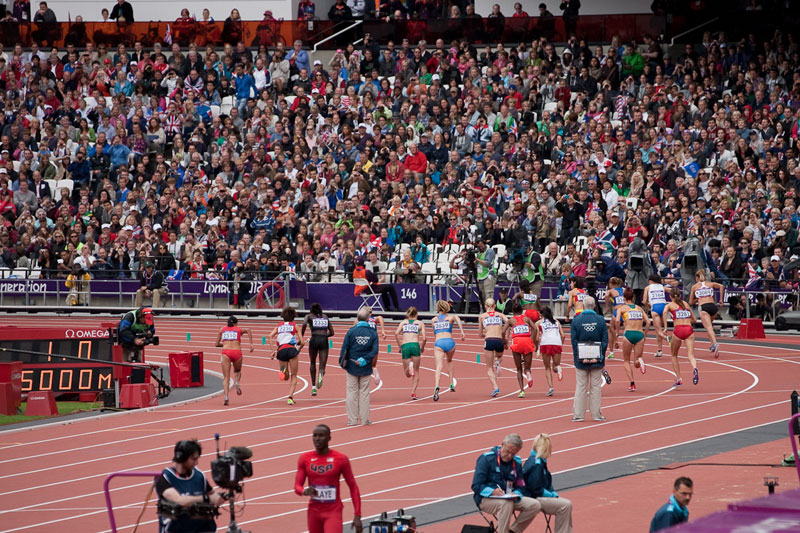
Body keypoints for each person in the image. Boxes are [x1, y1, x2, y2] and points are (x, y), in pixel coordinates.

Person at [295, 425, 363, 533]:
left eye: (321, 436)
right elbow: (297, 486)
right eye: (315, 435)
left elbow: (353, 487)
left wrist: (357, 515)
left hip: (333, 511)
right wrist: (304, 491)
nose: (317, 439)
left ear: (329, 438)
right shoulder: (305, 459)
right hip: (314, 511)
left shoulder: (341, 459)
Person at [471, 433, 542, 533]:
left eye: (513, 454)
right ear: (502, 444)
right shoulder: (486, 459)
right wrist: (492, 491)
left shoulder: (516, 462)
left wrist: (516, 493)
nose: (509, 456)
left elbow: (521, 485)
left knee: (535, 505)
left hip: (508, 498)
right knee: (506, 504)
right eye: (508, 452)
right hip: (485, 499)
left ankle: (513, 531)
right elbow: (476, 485)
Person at [155, 439, 223, 533]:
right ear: (181, 457)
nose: (196, 463)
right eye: (194, 459)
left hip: (202, 527)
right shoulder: (164, 478)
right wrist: (207, 498)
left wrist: (220, 497)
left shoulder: (199, 476)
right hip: (176, 529)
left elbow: (212, 494)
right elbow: (180, 501)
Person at [522, 434, 574, 533]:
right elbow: (535, 488)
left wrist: (552, 492)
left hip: (537, 495)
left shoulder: (538, 461)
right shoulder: (537, 463)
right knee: (565, 505)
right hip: (534, 498)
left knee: (567, 505)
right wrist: (550, 494)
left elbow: (545, 482)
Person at [570, 296, 610, 422]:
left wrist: (579, 356)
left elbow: (573, 340)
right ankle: (596, 415)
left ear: (583, 305)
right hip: (597, 359)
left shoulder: (576, 320)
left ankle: (578, 415)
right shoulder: (600, 320)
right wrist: (599, 356)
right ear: (594, 306)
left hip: (581, 359)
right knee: (596, 387)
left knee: (581, 386)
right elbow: (605, 340)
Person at [339, 308, 379, 426]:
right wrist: (365, 359)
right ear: (368, 318)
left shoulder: (351, 332)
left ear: (357, 318)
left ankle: (352, 420)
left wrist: (342, 362)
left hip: (351, 365)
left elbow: (344, 348)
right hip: (365, 367)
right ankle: (365, 419)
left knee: (352, 392)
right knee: (364, 393)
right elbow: (375, 350)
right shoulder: (373, 333)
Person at [662, 287, 699, 386]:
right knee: (691, 355)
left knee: (674, 355)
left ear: (670, 296)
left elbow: (664, 312)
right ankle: (694, 368)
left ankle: (678, 378)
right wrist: (685, 320)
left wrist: (665, 327)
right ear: (680, 295)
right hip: (688, 330)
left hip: (678, 330)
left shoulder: (670, 305)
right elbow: (694, 319)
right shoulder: (685, 304)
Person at [268, 307, 304, 405]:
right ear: (293, 317)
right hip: (292, 350)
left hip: (281, 350)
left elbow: (270, 336)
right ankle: (290, 397)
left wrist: (272, 351)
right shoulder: (295, 326)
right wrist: (298, 349)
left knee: (285, 376)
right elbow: (303, 342)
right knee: (294, 375)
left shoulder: (279, 326)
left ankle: (283, 371)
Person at [214, 316, 253, 406]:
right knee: (237, 371)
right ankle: (237, 382)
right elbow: (248, 330)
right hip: (237, 352)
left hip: (226, 353)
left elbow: (216, 344)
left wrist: (224, 345)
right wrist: (251, 344)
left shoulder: (222, 329)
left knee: (226, 378)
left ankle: (226, 397)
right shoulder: (238, 329)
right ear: (236, 323)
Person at [617, 288, 650, 392]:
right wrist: (645, 334)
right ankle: (639, 361)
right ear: (633, 297)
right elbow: (648, 322)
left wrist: (617, 333)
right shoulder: (639, 308)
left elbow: (617, 320)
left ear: (624, 298)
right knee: (636, 361)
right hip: (639, 334)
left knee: (626, 360)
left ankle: (632, 383)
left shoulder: (622, 309)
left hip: (629, 334)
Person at [431, 300, 464, 401]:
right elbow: (457, 318)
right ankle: (451, 383)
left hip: (439, 343)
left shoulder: (433, 320)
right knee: (449, 361)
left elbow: (434, 333)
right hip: (450, 342)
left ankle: (436, 385)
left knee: (438, 366)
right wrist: (462, 331)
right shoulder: (451, 317)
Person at [502, 300, 536, 398]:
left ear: (513, 311)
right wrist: (532, 340)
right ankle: (528, 373)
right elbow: (535, 328)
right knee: (527, 367)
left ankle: (522, 391)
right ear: (522, 311)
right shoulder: (526, 319)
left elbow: (503, 331)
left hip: (517, 343)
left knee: (519, 369)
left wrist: (504, 342)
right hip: (527, 341)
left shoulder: (511, 320)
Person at [302, 303, 335, 396]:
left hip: (314, 339)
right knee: (322, 364)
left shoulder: (308, 316)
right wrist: (324, 335)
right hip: (324, 340)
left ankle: (313, 388)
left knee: (312, 362)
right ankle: (321, 373)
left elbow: (304, 325)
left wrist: (301, 337)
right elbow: (332, 332)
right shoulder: (325, 317)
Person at [689, 270, 723, 357]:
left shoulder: (694, 287)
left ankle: (715, 344)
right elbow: (721, 286)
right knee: (709, 326)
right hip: (713, 307)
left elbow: (690, 302)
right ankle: (712, 344)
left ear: (696, 278)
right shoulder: (710, 284)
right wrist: (721, 300)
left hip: (703, 307)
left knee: (708, 327)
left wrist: (697, 299)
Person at [394, 307, 427, 399]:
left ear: (408, 314)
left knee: (407, 374)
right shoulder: (420, 323)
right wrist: (422, 347)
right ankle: (413, 392)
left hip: (405, 346)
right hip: (415, 345)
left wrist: (399, 346)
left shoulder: (403, 322)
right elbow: (424, 338)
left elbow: (396, 333)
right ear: (417, 315)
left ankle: (409, 367)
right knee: (416, 372)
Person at [479, 298, 507, 398]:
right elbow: (508, 324)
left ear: (485, 306)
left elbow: (480, 333)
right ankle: (498, 360)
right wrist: (506, 338)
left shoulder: (482, 316)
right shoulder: (500, 315)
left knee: (489, 367)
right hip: (499, 340)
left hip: (489, 340)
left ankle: (495, 387)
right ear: (495, 306)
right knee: (499, 356)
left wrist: (486, 333)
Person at [534, 305, 565, 397]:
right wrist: (560, 344)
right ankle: (558, 369)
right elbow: (563, 335)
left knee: (547, 368)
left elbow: (536, 338)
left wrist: (537, 349)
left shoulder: (539, 323)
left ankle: (551, 388)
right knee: (556, 366)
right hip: (557, 343)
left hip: (545, 343)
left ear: (542, 315)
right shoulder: (556, 321)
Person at [351, 308, 386, 385]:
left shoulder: (359, 320)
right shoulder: (373, 319)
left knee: (361, 364)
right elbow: (380, 317)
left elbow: (352, 331)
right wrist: (382, 330)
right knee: (372, 364)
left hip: (364, 343)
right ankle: (374, 369)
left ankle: (362, 382)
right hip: (373, 343)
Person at [643, 274, 668, 358]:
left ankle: (668, 339)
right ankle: (659, 350)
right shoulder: (662, 287)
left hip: (655, 308)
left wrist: (649, 307)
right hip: (663, 307)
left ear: (651, 280)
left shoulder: (648, 287)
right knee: (658, 331)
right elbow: (672, 290)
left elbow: (644, 301)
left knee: (658, 331)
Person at [604, 276, 625, 360]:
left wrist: (607, 307)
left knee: (610, 329)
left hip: (617, 311)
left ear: (611, 284)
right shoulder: (624, 290)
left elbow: (606, 296)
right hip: (625, 311)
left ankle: (612, 350)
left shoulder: (611, 291)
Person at [474, 240, 497, 312]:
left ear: (484, 244)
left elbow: (487, 263)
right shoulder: (477, 253)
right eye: (479, 246)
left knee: (488, 295)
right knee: (482, 296)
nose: (480, 248)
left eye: (481, 246)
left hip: (489, 275)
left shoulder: (489, 251)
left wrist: (477, 259)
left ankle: (490, 313)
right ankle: (484, 312)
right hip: (480, 276)